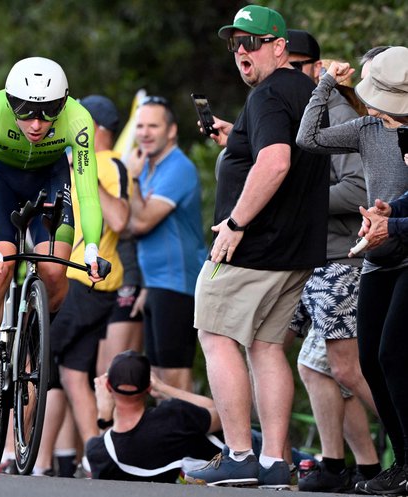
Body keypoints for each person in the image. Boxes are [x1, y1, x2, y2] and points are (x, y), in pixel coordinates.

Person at [182, 5, 331, 489]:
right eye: (235, 44)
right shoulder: (305, 91)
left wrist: (235, 223)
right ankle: (272, 461)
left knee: (215, 334)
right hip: (296, 250)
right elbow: (275, 150)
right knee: (267, 348)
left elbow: (275, 161)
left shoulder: (268, 94)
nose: (241, 52)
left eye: (252, 42)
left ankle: (240, 454)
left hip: (254, 248)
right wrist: (238, 137)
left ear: (279, 46)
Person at [0, 57, 104, 421]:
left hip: (49, 179)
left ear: (64, 104)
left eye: (47, 113)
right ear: (10, 103)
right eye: (25, 114)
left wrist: (92, 247)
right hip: (0, 181)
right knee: (0, 267)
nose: (37, 125)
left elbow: (87, 195)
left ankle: (35, 340)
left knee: (54, 270)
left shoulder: (78, 118)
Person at [296, 46, 408, 495]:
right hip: (374, 256)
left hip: (403, 254)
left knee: (393, 357)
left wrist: (392, 221)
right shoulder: (366, 127)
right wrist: (324, 84)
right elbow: (308, 139)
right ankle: (400, 463)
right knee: (370, 363)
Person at [285, 30, 381, 492]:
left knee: (344, 368)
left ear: (316, 68)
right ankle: (352, 467)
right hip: (320, 255)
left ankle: (360, 462)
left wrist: (299, 203)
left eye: (296, 65)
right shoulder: (311, 109)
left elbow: (360, 189)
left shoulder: (338, 109)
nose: (288, 74)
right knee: (318, 366)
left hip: (344, 255)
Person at [37, 94, 130, 475]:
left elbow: (121, 219)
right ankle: (95, 457)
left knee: (36, 358)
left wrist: (84, 170)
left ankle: (22, 457)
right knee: (73, 372)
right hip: (78, 279)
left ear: (95, 128)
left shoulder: (108, 163)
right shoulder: (76, 163)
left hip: (85, 281)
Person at [126, 95, 206, 392]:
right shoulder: (150, 167)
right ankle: (170, 438)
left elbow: (141, 222)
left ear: (171, 131)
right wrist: (148, 286)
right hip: (157, 284)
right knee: (158, 379)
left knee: (174, 377)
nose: (144, 133)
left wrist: (131, 180)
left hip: (177, 284)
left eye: (153, 126)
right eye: (140, 126)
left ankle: (187, 438)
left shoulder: (178, 167)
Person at [85, 350, 222, 482]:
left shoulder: (96, 450)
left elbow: (108, 450)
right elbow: (223, 415)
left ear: (108, 386)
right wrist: (163, 388)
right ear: (148, 386)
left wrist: (104, 415)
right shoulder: (174, 417)